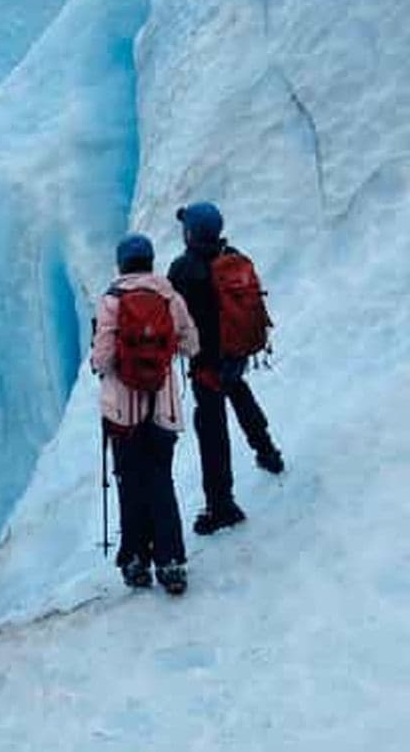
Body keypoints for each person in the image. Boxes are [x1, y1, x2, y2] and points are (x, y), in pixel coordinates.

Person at [168, 202, 284, 537]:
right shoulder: (232, 256)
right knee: (240, 391)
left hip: (206, 363)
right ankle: (267, 451)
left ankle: (221, 505)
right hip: (235, 352)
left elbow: (173, 316)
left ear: (190, 233)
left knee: (212, 430)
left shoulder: (184, 270)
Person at [92, 233, 199, 595]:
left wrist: (103, 365)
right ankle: (171, 562)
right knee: (160, 481)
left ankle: (135, 560)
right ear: (150, 261)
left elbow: (102, 357)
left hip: (123, 412)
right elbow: (190, 344)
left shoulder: (111, 301)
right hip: (162, 409)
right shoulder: (169, 297)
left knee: (130, 481)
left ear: (121, 263)